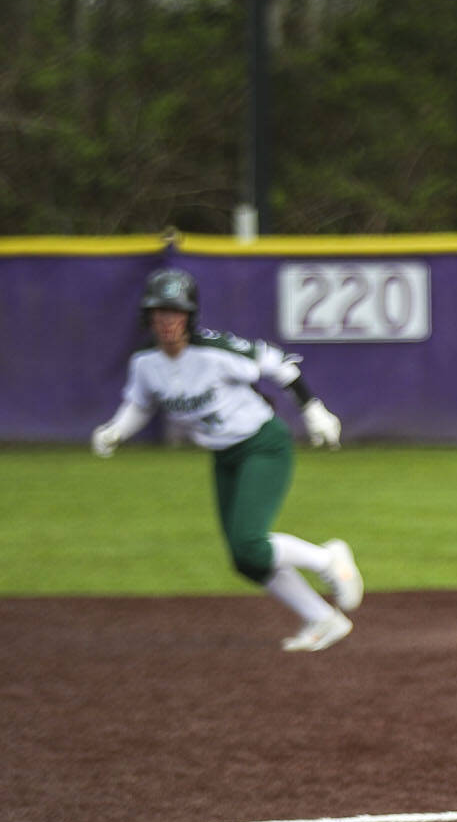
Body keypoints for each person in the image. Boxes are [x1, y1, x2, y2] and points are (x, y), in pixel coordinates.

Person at [90, 268, 364, 652]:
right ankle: (322, 619)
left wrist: (313, 409)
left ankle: (328, 558)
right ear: (148, 317)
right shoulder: (145, 363)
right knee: (245, 559)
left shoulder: (215, 352)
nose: (168, 320)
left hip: (262, 445)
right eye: (160, 312)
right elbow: (139, 402)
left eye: (176, 312)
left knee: (251, 543)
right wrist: (116, 430)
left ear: (189, 316)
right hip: (224, 455)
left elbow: (281, 365)